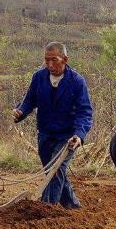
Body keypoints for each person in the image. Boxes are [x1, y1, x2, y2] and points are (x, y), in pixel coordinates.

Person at [14, 42, 93, 209]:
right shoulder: (38, 77)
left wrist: (79, 135)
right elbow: (29, 101)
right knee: (52, 173)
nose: (50, 65)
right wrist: (20, 112)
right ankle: (73, 207)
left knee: (55, 173)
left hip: (67, 137)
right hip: (45, 135)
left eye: (54, 60)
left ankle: (46, 209)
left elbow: (84, 112)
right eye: (46, 60)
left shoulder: (77, 81)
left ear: (65, 59)